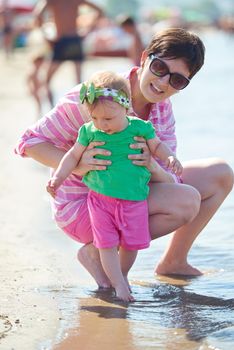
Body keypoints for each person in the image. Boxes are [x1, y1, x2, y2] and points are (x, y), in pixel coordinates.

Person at [15, 28, 234, 290]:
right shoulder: (99, 95)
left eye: (177, 80)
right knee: (186, 201)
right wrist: (80, 166)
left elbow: (170, 178)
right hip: (84, 205)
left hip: (128, 190)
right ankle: (98, 251)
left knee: (220, 173)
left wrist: (152, 165)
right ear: (144, 58)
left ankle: (174, 261)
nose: (163, 82)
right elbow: (29, 142)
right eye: (159, 68)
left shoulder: (162, 110)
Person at [46, 70, 182, 301]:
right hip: (100, 201)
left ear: (126, 106)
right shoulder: (89, 132)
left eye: (107, 119)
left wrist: (169, 158)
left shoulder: (140, 128)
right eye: (95, 118)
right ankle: (118, 284)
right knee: (106, 244)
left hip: (134, 198)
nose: (101, 124)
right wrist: (58, 178)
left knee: (131, 244)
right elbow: (71, 156)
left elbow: (158, 146)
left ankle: (122, 276)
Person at [33, 0, 103, 107]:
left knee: (46, 80)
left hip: (62, 40)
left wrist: (46, 36)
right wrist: (88, 30)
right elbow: (100, 10)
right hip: (75, 40)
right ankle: (83, 110)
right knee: (79, 82)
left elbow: (37, 14)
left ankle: (52, 109)